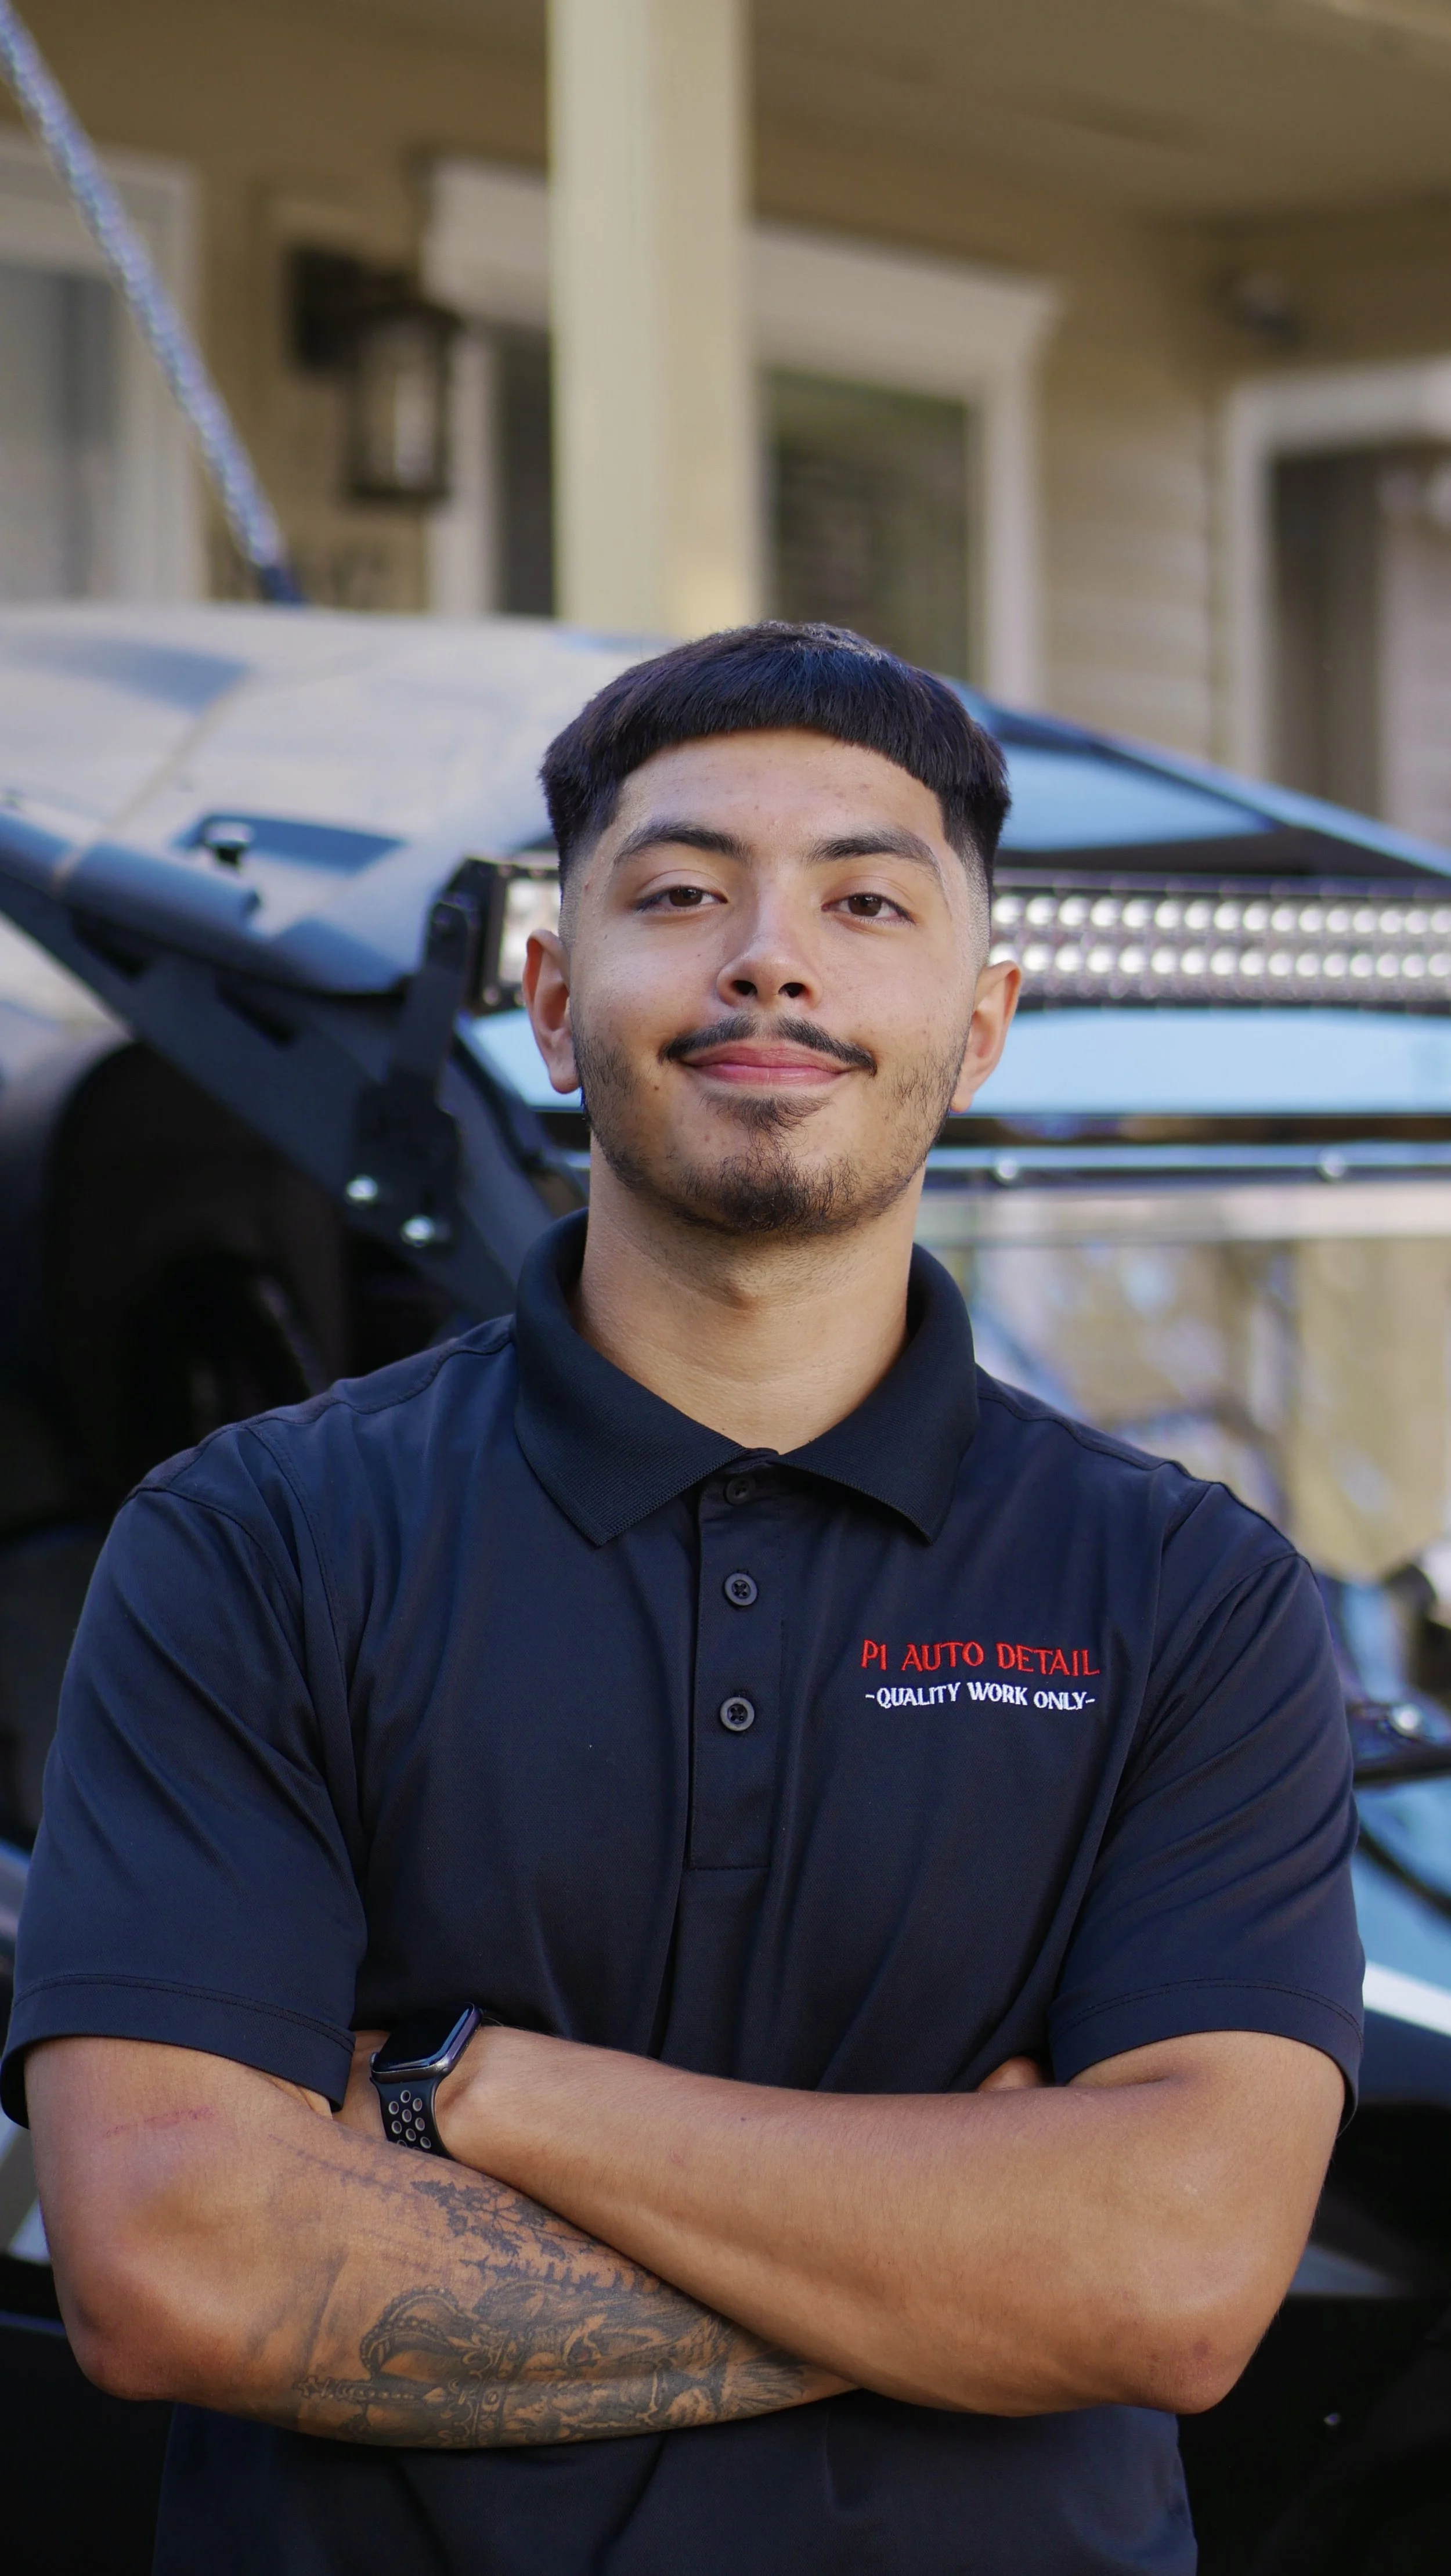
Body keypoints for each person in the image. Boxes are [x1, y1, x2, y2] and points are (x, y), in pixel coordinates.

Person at [3, 622, 1359, 2576]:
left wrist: (496, 2094)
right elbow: (181, 2268)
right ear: (555, 1003)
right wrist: (948, 2277)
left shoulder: (1187, 1593)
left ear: (976, 1027)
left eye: (864, 898)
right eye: (680, 892)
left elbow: (1164, 2279)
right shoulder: (254, 1542)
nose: (769, 959)